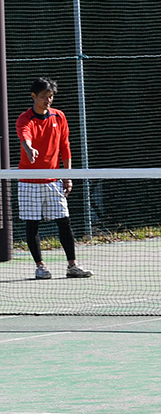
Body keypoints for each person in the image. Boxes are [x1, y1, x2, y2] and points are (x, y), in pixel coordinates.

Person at [16, 78, 90, 280]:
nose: (48, 100)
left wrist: (68, 175)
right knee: (32, 225)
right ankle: (40, 267)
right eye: (44, 97)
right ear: (34, 97)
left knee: (64, 221)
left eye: (51, 97)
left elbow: (65, 146)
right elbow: (25, 135)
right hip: (29, 181)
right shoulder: (25, 119)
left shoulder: (59, 116)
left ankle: (72, 266)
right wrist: (29, 148)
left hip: (54, 180)